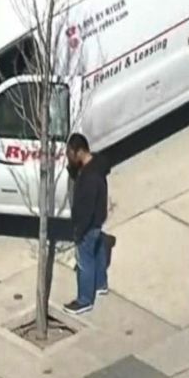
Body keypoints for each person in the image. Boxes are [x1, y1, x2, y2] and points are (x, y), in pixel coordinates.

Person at [64, 133, 110, 315]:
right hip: (98, 221)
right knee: (97, 251)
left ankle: (84, 300)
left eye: (70, 154)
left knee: (85, 261)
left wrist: (79, 232)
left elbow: (87, 208)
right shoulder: (96, 166)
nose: (69, 157)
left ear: (79, 152)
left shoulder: (90, 178)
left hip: (89, 225)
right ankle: (100, 284)